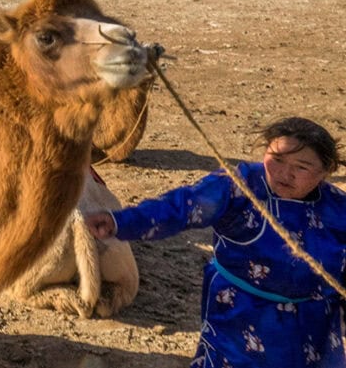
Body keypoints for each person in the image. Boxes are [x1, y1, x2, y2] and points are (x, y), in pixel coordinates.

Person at [86, 116, 346, 368]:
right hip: (241, 316)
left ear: (326, 171)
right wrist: (122, 222)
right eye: (276, 159)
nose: (284, 173)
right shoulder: (239, 187)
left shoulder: (337, 208)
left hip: (315, 329)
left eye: (301, 167)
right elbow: (182, 207)